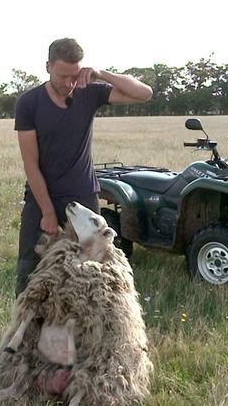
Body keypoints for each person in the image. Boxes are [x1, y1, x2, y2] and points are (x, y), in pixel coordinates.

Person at [14, 37, 153, 297]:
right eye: (62, 76)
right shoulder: (29, 103)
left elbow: (144, 93)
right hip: (43, 199)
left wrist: (101, 74)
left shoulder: (89, 92)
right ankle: (24, 335)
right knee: (29, 273)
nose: (69, 83)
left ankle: (83, 333)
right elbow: (30, 163)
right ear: (47, 67)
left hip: (84, 198)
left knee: (90, 274)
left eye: (74, 76)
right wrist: (47, 212)